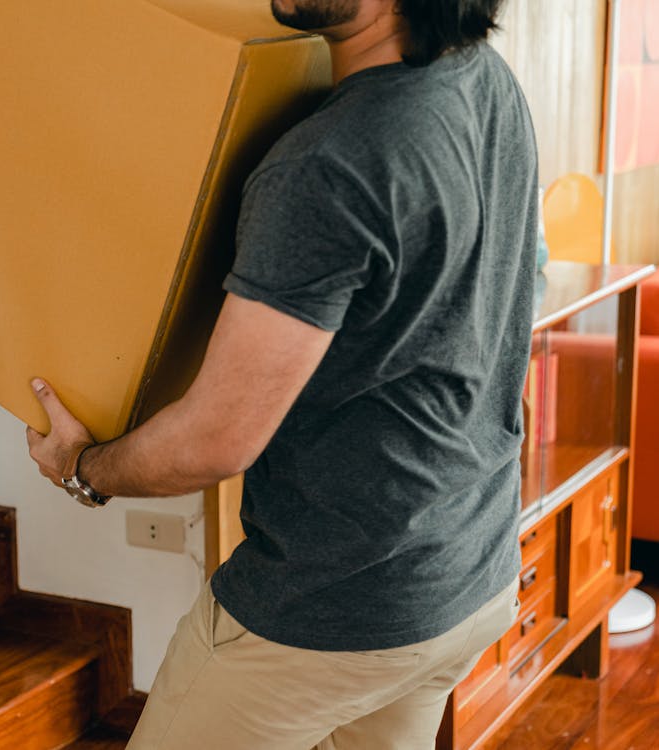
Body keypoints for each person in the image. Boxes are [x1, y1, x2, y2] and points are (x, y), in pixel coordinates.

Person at [27, 0, 536, 747]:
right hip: (465, 578)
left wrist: (82, 468)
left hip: (329, 615)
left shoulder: (330, 162)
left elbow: (214, 442)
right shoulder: (484, 79)